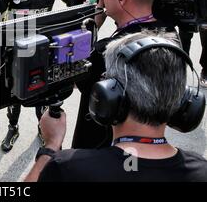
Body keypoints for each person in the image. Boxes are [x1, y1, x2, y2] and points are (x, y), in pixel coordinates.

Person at [25, 31, 207, 182]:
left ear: (110, 95)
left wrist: (51, 146)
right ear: (183, 98)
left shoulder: (69, 169)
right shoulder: (201, 171)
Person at [71, 0, 175, 149]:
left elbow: (74, 73)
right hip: (148, 148)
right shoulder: (170, 34)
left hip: (101, 153)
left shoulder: (108, 52)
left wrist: (93, 26)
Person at [0, 0, 82, 152]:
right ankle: (13, 128)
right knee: (13, 92)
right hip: (15, 47)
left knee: (41, 89)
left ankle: (43, 130)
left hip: (42, 47)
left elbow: (73, 0)